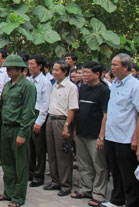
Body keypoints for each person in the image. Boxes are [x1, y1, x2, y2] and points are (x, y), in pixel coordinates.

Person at [103, 53, 139, 207]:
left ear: (126, 67)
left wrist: (136, 138)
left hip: (127, 137)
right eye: (112, 64)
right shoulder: (115, 83)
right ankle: (117, 199)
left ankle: (133, 202)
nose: (112, 68)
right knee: (115, 171)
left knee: (128, 173)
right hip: (112, 135)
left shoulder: (136, 87)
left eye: (115, 65)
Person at [0, 55, 36, 207]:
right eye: (7, 68)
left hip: (18, 129)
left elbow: (28, 112)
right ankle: (8, 192)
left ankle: (18, 197)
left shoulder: (28, 87)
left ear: (20, 69)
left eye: (11, 68)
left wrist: (23, 134)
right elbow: (2, 106)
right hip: (6, 128)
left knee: (20, 165)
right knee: (7, 163)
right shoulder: (7, 86)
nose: (8, 71)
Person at [71, 61, 110, 207]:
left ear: (98, 74)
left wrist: (101, 136)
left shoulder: (104, 91)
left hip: (95, 135)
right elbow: (78, 110)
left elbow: (105, 115)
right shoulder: (83, 88)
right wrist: (75, 130)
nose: (84, 75)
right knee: (84, 163)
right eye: (83, 72)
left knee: (98, 165)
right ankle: (86, 188)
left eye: (87, 72)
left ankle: (99, 194)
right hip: (81, 132)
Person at [44, 59, 79, 196]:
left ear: (65, 72)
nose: (54, 72)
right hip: (51, 119)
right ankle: (55, 181)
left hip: (62, 121)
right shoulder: (54, 85)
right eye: (53, 69)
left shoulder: (71, 87)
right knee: (51, 153)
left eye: (57, 70)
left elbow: (72, 109)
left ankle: (65, 184)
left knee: (63, 155)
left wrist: (66, 126)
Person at [27, 54, 52, 188]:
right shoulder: (29, 80)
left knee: (39, 149)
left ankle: (38, 175)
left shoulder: (45, 82)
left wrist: (39, 122)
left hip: (38, 115)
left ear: (40, 66)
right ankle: (30, 172)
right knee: (29, 147)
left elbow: (45, 103)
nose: (30, 67)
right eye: (29, 64)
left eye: (32, 64)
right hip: (29, 114)